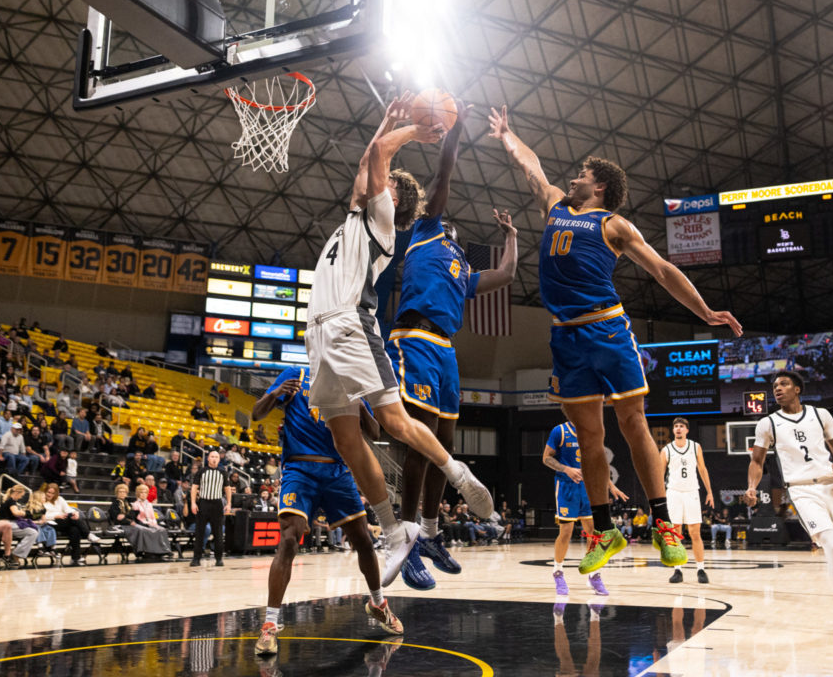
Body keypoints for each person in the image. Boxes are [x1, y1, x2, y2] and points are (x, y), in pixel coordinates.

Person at [488, 105, 742, 575]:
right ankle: (604, 530)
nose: (574, 177)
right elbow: (530, 166)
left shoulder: (613, 225)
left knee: (633, 422)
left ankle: (663, 523)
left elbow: (663, 270)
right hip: (565, 338)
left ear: (599, 185)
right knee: (589, 435)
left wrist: (704, 311)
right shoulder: (555, 207)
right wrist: (507, 134)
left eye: (583, 173)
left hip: (606, 327)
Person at [305, 91, 493, 588]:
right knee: (346, 438)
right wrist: (386, 119)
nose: (372, 179)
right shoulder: (354, 212)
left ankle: (456, 474)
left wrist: (420, 129)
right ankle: (393, 530)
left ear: (390, 195)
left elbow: (380, 160)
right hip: (319, 333)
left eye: (381, 181)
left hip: (351, 323)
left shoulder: (383, 220)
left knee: (393, 419)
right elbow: (372, 158)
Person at [385, 102, 518, 591]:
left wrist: (512, 237)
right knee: (420, 445)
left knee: (445, 445)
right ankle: (407, 536)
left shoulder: (462, 269)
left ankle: (433, 534)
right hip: (415, 339)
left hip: (445, 351)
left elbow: (505, 275)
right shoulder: (423, 229)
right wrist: (456, 126)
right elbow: (444, 169)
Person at [251, 365, 401, 657]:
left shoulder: (349, 380)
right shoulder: (294, 375)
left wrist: (358, 401)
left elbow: (374, 431)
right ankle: (269, 624)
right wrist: (277, 394)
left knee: (363, 541)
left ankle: (378, 604)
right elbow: (256, 413)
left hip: (337, 471)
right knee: (289, 539)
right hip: (300, 467)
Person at [745, 370, 833, 641]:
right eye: (774, 386)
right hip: (803, 490)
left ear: (797, 389)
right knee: (831, 545)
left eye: (783, 384)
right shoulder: (768, 423)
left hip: (832, 486)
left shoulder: (821, 415)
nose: (777, 389)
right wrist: (751, 486)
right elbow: (757, 462)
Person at [543, 421, 627, 597]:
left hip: (588, 487)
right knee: (566, 531)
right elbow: (546, 458)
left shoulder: (591, 429)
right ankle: (558, 572)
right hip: (567, 487)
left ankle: (594, 574)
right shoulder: (560, 431)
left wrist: (611, 486)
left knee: (593, 532)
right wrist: (566, 469)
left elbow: (598, 464)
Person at [660, 417, 715, 584]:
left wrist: (710, 492)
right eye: (675, 426)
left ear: (687, 430)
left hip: (692, 491)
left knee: (695, 532)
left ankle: (701, 569)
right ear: (673, 430)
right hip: (674, 492)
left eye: (681, 426)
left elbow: (702, 469)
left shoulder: (695, 446)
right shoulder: (666, 449)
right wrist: (658, 498)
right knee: (675, 533)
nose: (678, 429)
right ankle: (678, 570)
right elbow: (659, 476)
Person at [189, 450, 231, 567]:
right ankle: (196, 558)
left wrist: (229, 504)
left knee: (218, 533)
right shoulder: (202, 471)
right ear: (208, 458)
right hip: (203, 503)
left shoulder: (223, 472)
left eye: (216, 457)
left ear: (219, 459)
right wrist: (193, 503)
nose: (214, 459)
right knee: (200, 532)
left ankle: (219, 559)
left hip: (217, 504)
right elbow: (194, 487)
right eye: (212, 456)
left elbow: (227, 489)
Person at [42, 482, 98, 566]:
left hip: (63, 521)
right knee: (71, 518)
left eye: (52, 493)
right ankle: (88, 534)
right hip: (50, 522)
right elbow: (42, 515)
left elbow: (68, 509)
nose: (50, 495)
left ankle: (75, 558)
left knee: (75, 529)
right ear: (45, 491)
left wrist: (75, 512)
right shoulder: (41, 500)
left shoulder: (59, 499)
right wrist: (56, 516)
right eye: (48, 492)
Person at [130, 483, 173, 559]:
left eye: (145, 492)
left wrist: (154, 524)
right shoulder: (135, 504)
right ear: (138, 494)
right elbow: (137, 517)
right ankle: (150, 551)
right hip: (142, 523)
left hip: (151, 523)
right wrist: (148, 524)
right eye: (141, 492)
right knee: (150, 531)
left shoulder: (149, 504)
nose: (143, 494)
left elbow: (152, 516)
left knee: (161, 529)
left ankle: (165, 550)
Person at [0, 485, 40, 561]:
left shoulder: (7, 500)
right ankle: (16, 554)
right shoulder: (11, 501)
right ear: (17, 493)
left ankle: (16, 553)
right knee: (33, 533)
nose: (21, 497)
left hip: (7, 523)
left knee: (33, 532)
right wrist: (25, 513)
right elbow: (15, 513)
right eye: (21, 495)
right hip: (7, 524)